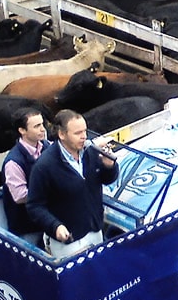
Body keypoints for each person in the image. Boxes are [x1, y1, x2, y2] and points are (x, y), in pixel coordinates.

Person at [26, 110, 118, 258]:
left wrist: (109, 166)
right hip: (69, 242)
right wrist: (55, 226)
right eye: (78, 133)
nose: (84, 137)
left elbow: (107, 180)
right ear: (62, 135)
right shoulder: (45, 166)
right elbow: (34, 206)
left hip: (95, 230)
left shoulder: (91, 152)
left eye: (85, 131)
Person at [1, 108, 49, 244]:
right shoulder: (13, 162)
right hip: (28, 226)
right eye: (37, 126)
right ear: (22, 130)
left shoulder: (47, 146)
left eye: (42, 124)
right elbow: (20, 196)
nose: (43, 129)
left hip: (46, 218)